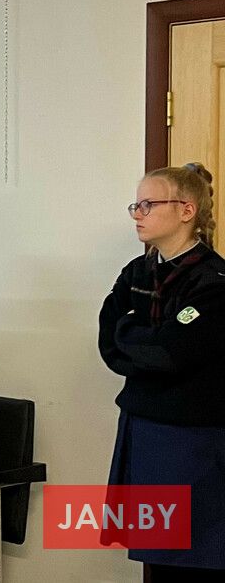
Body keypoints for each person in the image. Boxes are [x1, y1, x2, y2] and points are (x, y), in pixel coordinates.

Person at [99, 163, 225, 581]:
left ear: (187, 211)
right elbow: (109, 339)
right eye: (136, 205)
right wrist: (142, 342)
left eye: (149, 204)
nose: (138, 214)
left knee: (193, 559)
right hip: (143, 425)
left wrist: (135, 336)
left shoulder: (215, 281)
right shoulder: (137, 272)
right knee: (155, 558)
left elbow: (171, 352)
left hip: (191, 438)